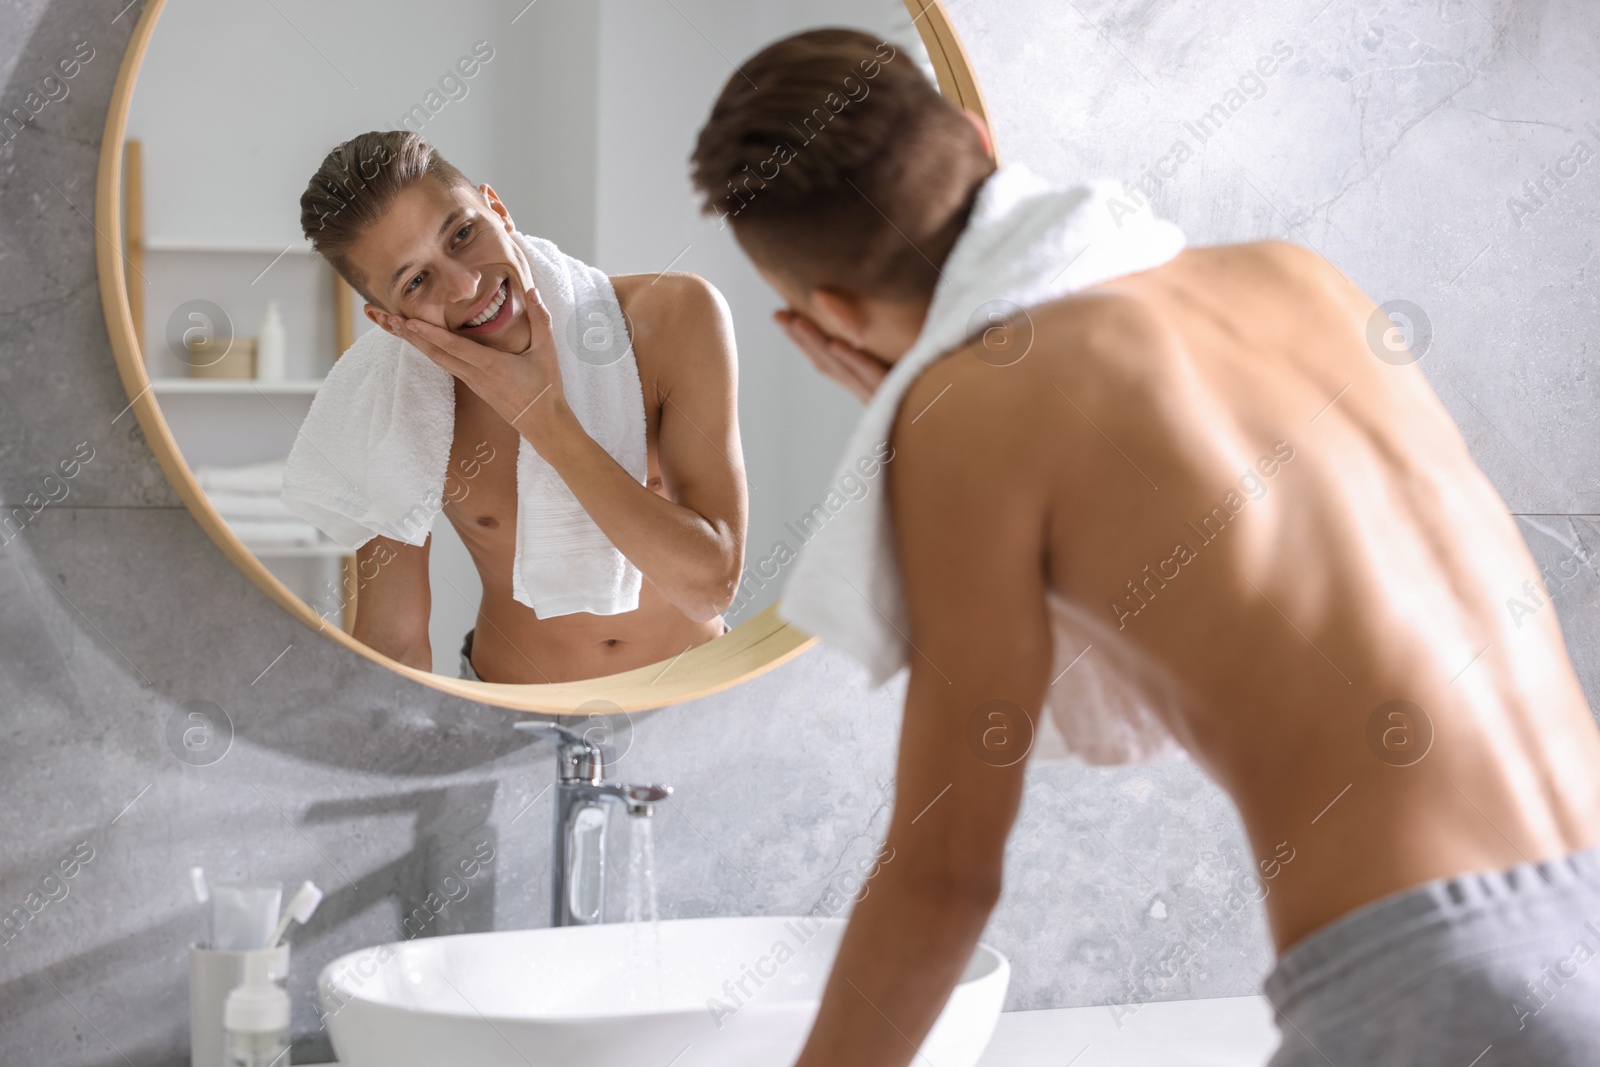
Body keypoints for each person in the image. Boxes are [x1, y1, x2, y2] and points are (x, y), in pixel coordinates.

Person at [690, 28, 1600, 1067]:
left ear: (832, 312)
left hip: (1432, 986)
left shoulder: (975, 410)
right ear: (981, 142)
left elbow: (942, 874)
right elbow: (1205, 600)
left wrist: (932, 415)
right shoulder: (1296, 279)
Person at [293, 131, 745, 684]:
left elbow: (710, 587)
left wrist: (542, 417)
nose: (466, 285)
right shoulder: (390, 398)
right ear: (389, 322)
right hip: (512, 714)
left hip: (696, 696)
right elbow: (397, 643)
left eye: (462, 233)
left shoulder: (673, 318)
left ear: (498, 210)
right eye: (416, 281)